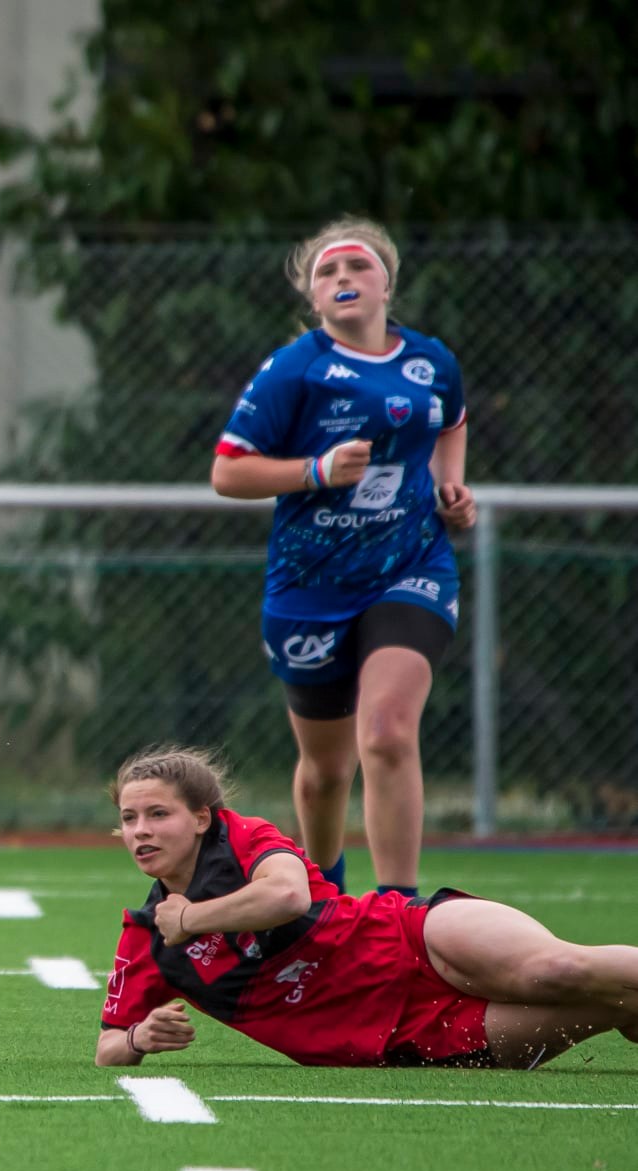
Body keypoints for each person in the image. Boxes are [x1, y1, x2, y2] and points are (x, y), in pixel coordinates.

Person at [211, 216, 475, 898]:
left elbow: (451, 419)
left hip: (410, 567)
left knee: (385, 732)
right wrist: (316, 470)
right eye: (327, 271)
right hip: (311, 585)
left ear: (387, 283)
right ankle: (321, 894)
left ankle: (397, 912)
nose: (343, 278)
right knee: (326, 772)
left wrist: (450, 486)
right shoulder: (293, 370)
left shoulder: (431, 362)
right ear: (313, 297)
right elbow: (228, 472)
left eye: (358, 266)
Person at [96, 745, 638, 1070]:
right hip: (411, 1034)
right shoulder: (146, 939)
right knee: (618, 1005)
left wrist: (190, 918)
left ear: (201, 818)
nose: (140, 830)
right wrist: (140, 1038)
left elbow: (288, 896)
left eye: (158, 814)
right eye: (129, 818)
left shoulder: (242, 837)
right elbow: (108, 1047)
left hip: (409, 935)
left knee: (558, 968)